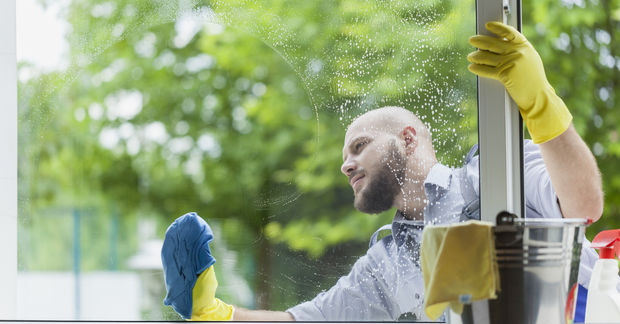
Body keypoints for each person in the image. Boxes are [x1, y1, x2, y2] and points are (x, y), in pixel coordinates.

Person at [161, 22, 605, 321]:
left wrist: (541, 104)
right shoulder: (386, 264)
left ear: (408, 139)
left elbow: (584, 205)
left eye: (359, 146)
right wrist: (216, 311)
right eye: (344, 156)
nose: (345, 164)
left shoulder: (495, 168)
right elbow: (306, 320)